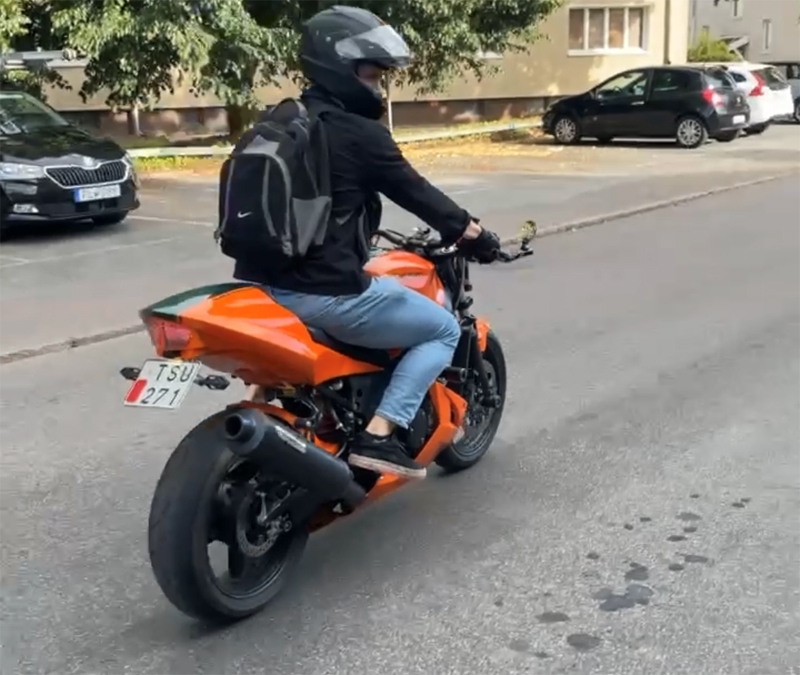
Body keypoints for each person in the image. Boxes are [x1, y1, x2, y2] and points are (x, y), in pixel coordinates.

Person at [234, 6, 502, 481]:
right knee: (440, 329)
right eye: (372, 75)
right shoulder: (359, 134)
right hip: (326, 293)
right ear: (342, 67)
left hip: (260, 288)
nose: (378, 87)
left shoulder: (279, 121)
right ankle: (379, 434)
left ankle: (272, 415)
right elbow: (421, 196)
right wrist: (474, 235)